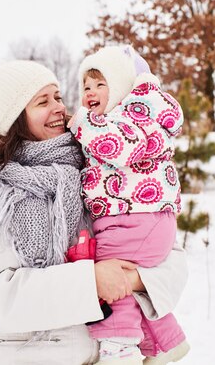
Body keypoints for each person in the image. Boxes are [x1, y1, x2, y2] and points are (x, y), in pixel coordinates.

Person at [0, 60, 188, 365]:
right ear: (14, 118)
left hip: (114, 354)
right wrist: (91, 281)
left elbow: (171, 259)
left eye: (57, 97)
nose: (58, 107)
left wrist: (133, 281)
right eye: (43, 102)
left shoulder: (99, 163)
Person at [68, 45, 190, 364]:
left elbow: (120, 149)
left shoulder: (133, 117)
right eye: (85, 86)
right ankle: (166, 342)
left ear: (120, 87)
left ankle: (118, 352)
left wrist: (82, 123)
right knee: (125, 282)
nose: (90, 93)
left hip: (138, 220)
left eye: (100, 84)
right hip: (135, 221)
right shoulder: (119, 118)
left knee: (109, 281)